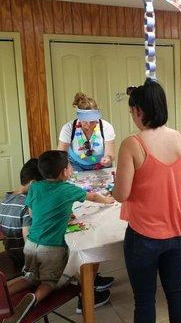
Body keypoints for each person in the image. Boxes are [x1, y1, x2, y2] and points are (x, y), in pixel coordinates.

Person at [114, 79, 181, 323]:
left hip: (144, 236)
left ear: (138, 111)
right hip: (179, 232)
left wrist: (117, 185)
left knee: (145, 299)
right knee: (175, 290)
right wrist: (178, 174)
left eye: (131, 112)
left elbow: (122, 194)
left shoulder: (132, 144)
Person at [5, 150, 115, 323]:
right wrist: (108, 201)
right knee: (49, 282)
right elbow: (92, 196)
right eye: (69, 166)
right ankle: (35, 298)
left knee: (29, 278)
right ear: (65, 172)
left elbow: (34, 213)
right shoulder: (67, 189)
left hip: (31, 243)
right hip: (52, 247)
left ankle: (4, 292)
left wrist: (60, 213)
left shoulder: (35, 187)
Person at [0, 159, 43, 274]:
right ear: (34, 183)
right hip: (24, 260)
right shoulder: (27, 205)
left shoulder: (5, 199)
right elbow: (29, 245)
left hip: (11, 253)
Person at [58, 93, 116, 171]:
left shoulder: (106, 127)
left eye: (92, 120)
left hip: (101, 165)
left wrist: (108, 159)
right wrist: (67, 167)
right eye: (85, 121)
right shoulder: (68, 128)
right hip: (75, 165)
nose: (89, 124)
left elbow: (110, 154)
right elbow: (61, 155)